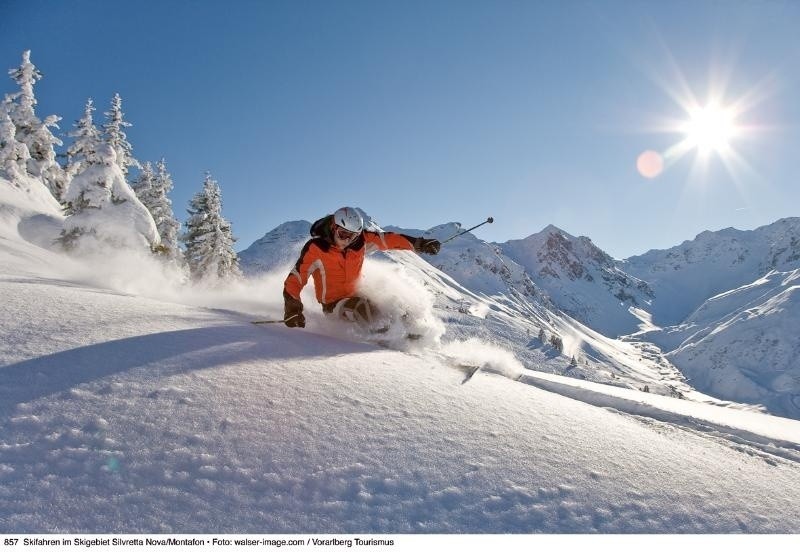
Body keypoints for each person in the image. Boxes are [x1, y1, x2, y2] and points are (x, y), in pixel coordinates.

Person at [282, 207, 441, 328]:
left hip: (357, 293)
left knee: (393, 304)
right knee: (360, 308)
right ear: (333, 227)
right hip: (334, 304)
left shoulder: (360, 242)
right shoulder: (316, 249)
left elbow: (388, 239)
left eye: (353, 236)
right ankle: (382, 343)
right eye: (343, 234)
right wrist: (293, 310)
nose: (347, 240)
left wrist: (418, 244)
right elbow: (296, 279)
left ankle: (413, 338)